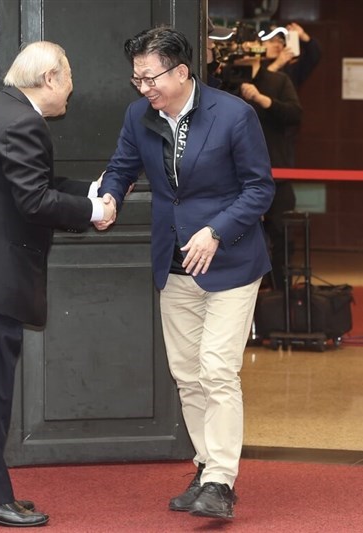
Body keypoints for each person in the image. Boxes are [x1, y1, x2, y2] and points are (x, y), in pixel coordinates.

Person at [0, 41, 114, 527]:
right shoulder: (22, 122)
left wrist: (90, 192)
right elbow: (34, 200)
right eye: (69, 78)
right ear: (50, 77)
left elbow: (29, 184)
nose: (72, 89)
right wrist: (93, 211)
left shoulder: (0, 111)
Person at [97, 27, 274, 520]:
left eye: (149, 78)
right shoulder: (138, 115)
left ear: (180, 72)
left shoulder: (234, 114)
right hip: (173, 265)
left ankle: (220, 481)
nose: (143, 88)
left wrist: (215, 231)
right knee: (188, 376)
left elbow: (260, 189)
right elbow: (121, 167)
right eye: (136, 79)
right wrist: (110, 197)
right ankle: (206, 463)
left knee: (217, 369)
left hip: (230, 262)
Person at [229, 36, 303, 290]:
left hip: (274, 173)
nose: (246, 50)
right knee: (237, 238)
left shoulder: (277, 81)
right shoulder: (224, 81)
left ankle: (281, 297)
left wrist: (263, 100)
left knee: (282, 239)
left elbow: (295, 114)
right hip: (233, 179)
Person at [262, 22, 322, 90]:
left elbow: (314, 55)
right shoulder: (254, 63)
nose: (277, 45)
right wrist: (277, 64)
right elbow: (259, 84)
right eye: (271, 41)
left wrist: (303, 36)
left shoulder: (289, 68)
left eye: (280, 41)